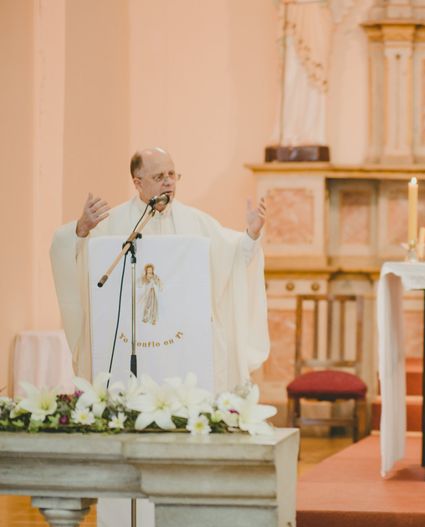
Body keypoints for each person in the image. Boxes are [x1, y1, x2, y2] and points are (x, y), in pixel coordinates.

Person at [50, 146, 270, 392]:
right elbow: (70, 252)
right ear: (138, 182)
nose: (168, 182)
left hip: (182, 343)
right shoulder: (113, 223)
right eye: (159, 177)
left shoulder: (196, 222)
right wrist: (81, 230)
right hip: (129, 342)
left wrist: (251, 233)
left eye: (172, 174)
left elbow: (236, 257)